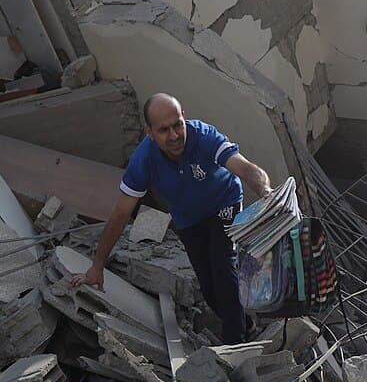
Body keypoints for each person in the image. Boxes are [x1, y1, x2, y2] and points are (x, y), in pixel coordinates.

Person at [71, 93, 273, 344]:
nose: (175, 135)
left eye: (178, 124)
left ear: (184, 118)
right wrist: (97, 266)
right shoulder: (143, 162)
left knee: (223, 268)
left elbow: (244, 168)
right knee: (209, 288)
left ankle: (236, 343)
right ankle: (246, 325)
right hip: (188, 218)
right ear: (150, 132)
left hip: (224, 203)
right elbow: (121, 214)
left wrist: (264, 190)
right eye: (164, 130)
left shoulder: (204, 136)